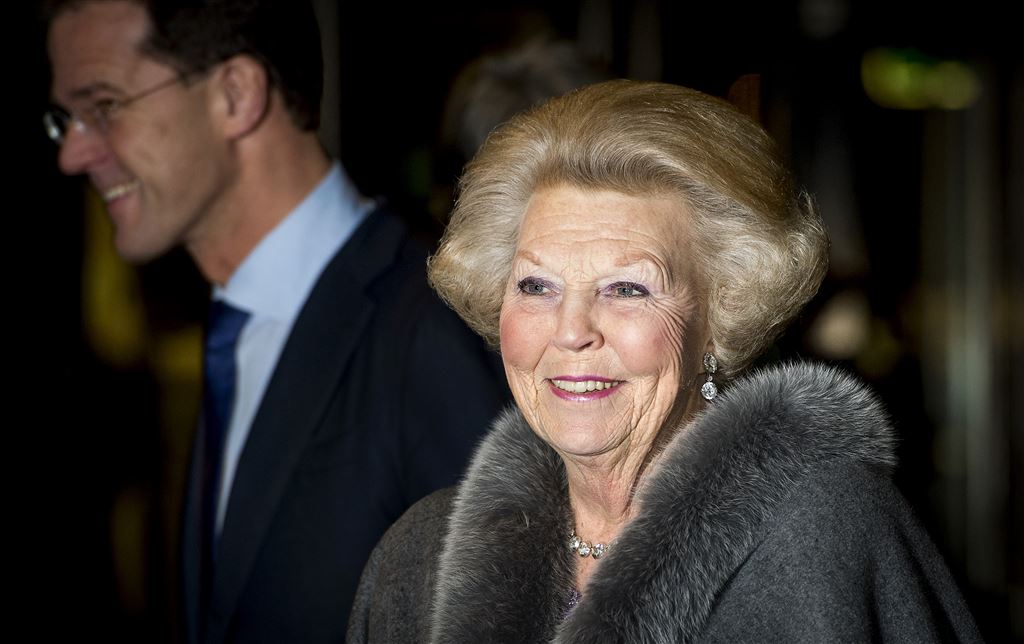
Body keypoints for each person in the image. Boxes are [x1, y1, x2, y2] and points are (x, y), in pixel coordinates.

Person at [347, 80, 983, 642]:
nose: (571, 332)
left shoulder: (818, 537)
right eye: (536, 286)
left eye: (627, 288)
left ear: (720, 315)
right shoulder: (421, 559)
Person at [44, 1, 506, 641]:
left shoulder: (435, 327)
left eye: (104, 107)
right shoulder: (236, 322)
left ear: (236, 95)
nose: (72, 154)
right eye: (65, 119)